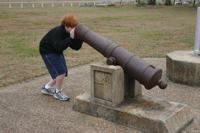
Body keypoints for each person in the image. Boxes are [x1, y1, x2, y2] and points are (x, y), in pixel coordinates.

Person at [39, 13, 83, 101]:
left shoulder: (68, 32)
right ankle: (58, 92)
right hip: (47, 51)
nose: (73, 29)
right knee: (60, 71)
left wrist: (80, 38)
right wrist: (70, 38)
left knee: (62, 71)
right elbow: (58, 46)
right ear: (66, 25)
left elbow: (76, 47)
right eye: (72, 27)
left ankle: (47, 88)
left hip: (56, 51)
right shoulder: (57, 31)